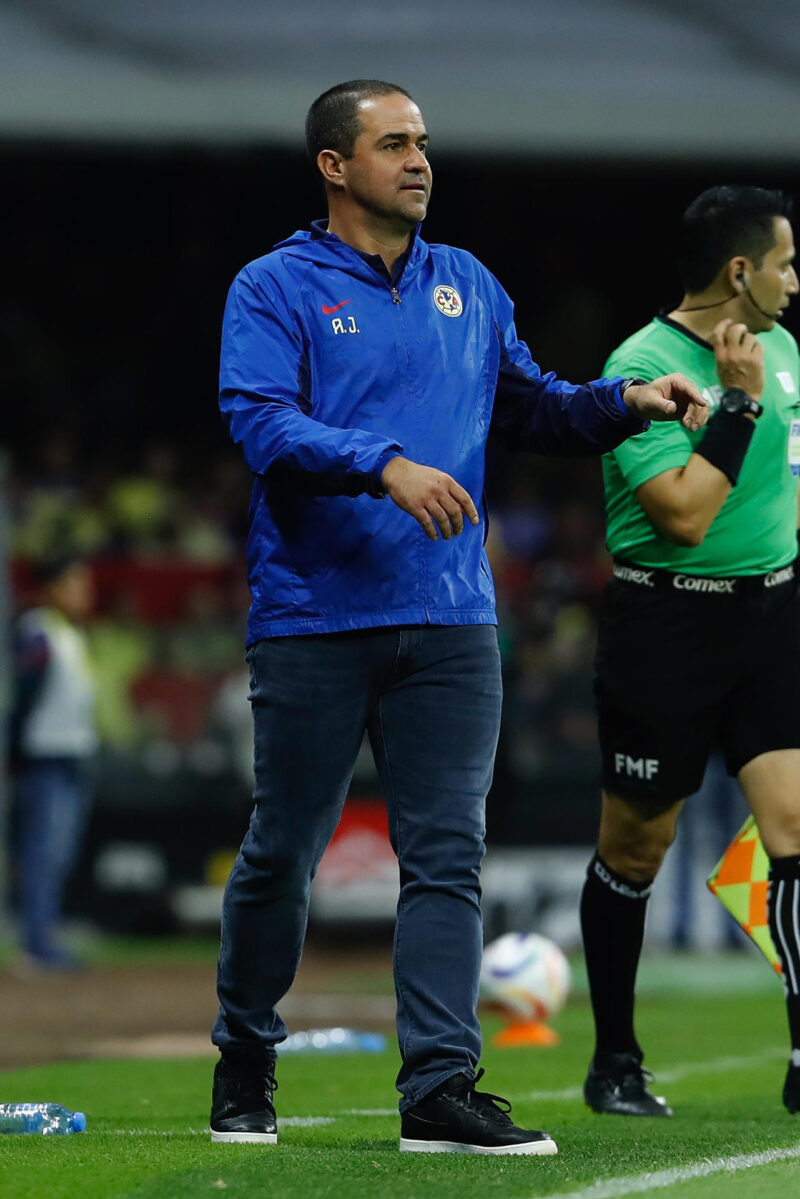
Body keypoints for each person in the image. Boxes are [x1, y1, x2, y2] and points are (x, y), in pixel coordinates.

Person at [210, 78, 706, 1156]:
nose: (419, 160)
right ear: (334, 166)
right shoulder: (274, 286)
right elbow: (260, 424)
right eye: (392, 144)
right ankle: (245, 1050)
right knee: (280, 852)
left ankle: (438, 1086)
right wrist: (380, 464)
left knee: (446, 855)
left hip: (448, 618)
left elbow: (529, 405)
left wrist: (622, 403)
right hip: (314, 616)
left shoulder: (467, 285)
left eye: (423, 142)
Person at [581, 185, 800, 1118]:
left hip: (772, 619)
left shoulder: (787, 350)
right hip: (666, 624)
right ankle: (615, 1061)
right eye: (786, 262)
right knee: (638, 845)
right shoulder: (641, 363)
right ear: (739, 271)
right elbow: (680, 516)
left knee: (793, 829)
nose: (797, 281)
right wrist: (739, 407)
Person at [9, 553, 98, 969]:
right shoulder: (37, 633)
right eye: (75, 582)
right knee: (43, 852)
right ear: (51, 588)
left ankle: (44, 935)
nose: (85, 591)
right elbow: (22, 699)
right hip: (45, 755)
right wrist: (15, 751)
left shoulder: (68, 634)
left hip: (71, 756)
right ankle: (37, 943)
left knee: (58, 853)